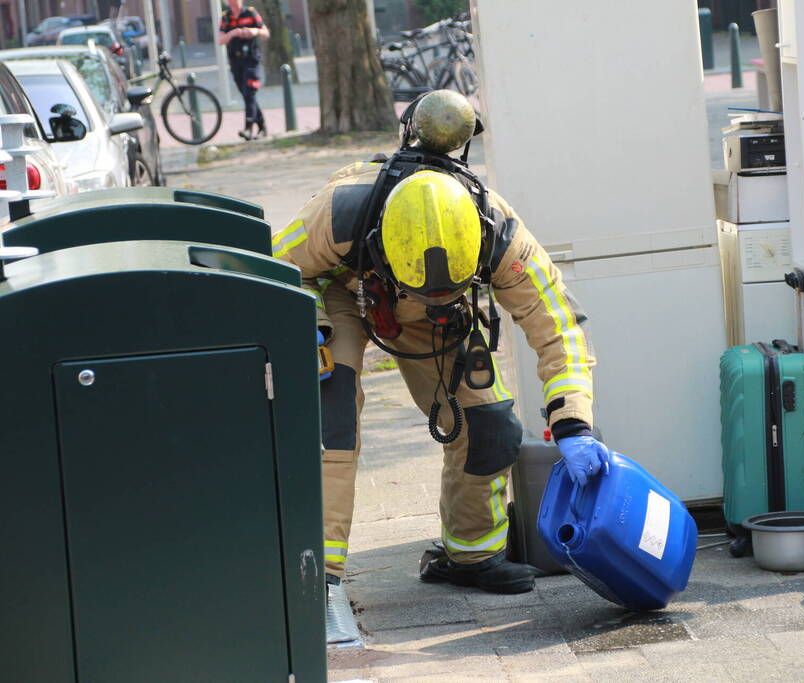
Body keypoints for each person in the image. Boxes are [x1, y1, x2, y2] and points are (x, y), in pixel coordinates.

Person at [273, 90, 611, 595]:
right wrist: (312, 323)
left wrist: (573, 422)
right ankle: (315, 576)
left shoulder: (496, 229)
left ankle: (469, 556)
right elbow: (275, 271)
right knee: (332, 418)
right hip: (343, 294)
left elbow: (557, 327)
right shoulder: (341, 210)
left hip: (439, 320)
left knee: (489, 424)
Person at [218, 0, 269, 140]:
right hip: (235, 61)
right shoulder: (226, 17)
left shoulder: (251, 12)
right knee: (247, 94)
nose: (233, 3)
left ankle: (248, 128)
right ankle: (262, 126)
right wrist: (233, 33)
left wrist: (254, 31)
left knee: (249, 91)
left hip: (251, 59)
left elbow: (265, 33)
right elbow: (220, 40)